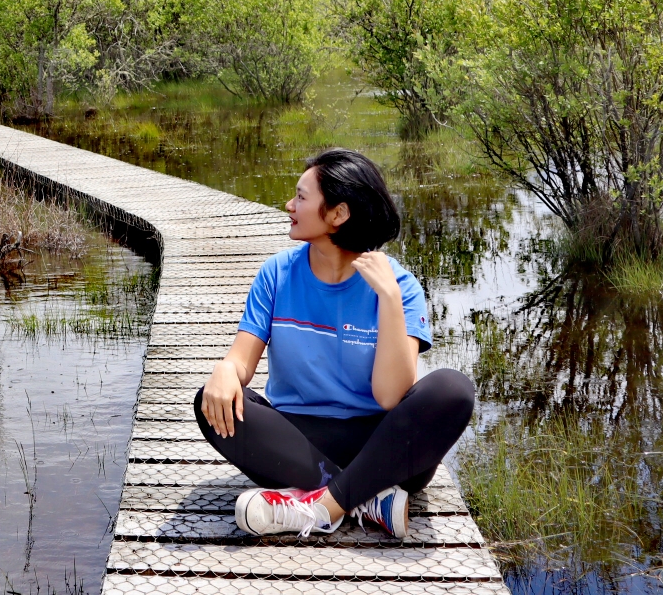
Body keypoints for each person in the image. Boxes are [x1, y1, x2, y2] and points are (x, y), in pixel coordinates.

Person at [193, 148, 474, 538]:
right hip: (297, 440)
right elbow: (242, 361)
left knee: (453, 389)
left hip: (382, 446)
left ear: (338, 214)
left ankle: (326, 505)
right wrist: (225, 369)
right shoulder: (277, 273)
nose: (289, 205)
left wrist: (389, 301)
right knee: (210, 402)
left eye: (302, 197)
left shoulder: (400, 286)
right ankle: (368, 499)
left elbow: (391, 396)